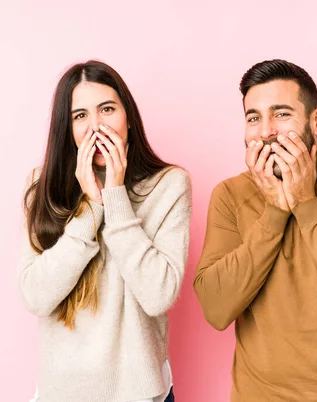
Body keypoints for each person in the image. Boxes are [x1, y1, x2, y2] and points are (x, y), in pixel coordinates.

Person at [194, 59, 317, 401]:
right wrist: (275, 210)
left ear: (315, 121)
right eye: (254, 117)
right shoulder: (230, 195)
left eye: (281, 113)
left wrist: (304, 203)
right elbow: (215, 309)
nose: (265, 131)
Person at [19, 60, 190, 402]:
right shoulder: (43, 186)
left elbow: (159, 295)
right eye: (80, 116)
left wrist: (115, 196)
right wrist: (92, 207)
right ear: (66, 129)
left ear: (128, 116)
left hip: (140, 393)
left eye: (107, 109)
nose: (96, 126)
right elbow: (36, 296)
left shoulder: (168, 186)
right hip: (61, 393)